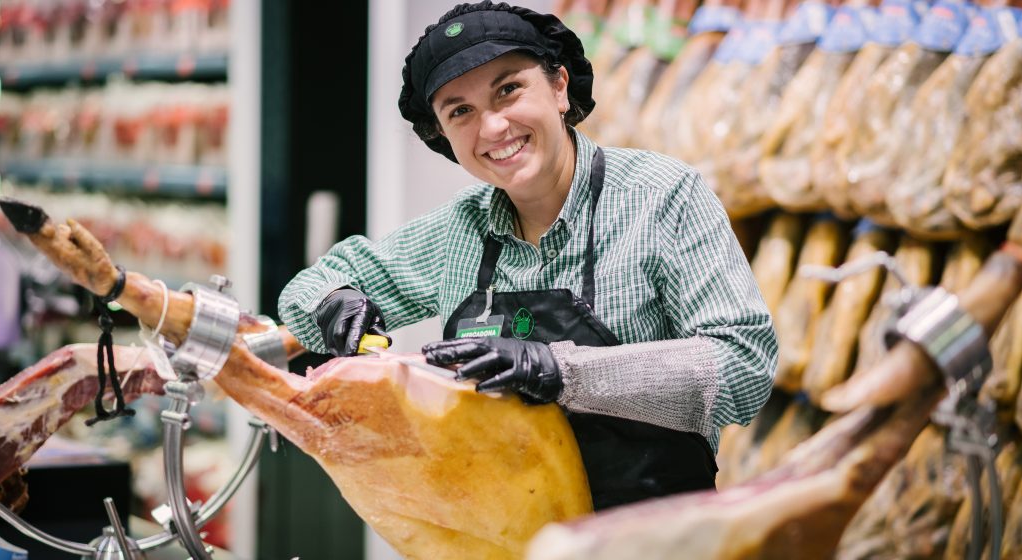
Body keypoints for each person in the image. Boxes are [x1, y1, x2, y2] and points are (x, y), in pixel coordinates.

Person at [278, 0, 776, 510]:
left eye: (508, 90)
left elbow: (744, 365)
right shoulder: (460, 229)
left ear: (559, 86)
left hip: (652, 536)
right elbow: (313, 286)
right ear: (443, 135)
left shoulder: (662, 196)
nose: (492, 128)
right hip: (502, 536)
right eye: (460, 111)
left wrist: (562, 372)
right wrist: (335, 300)